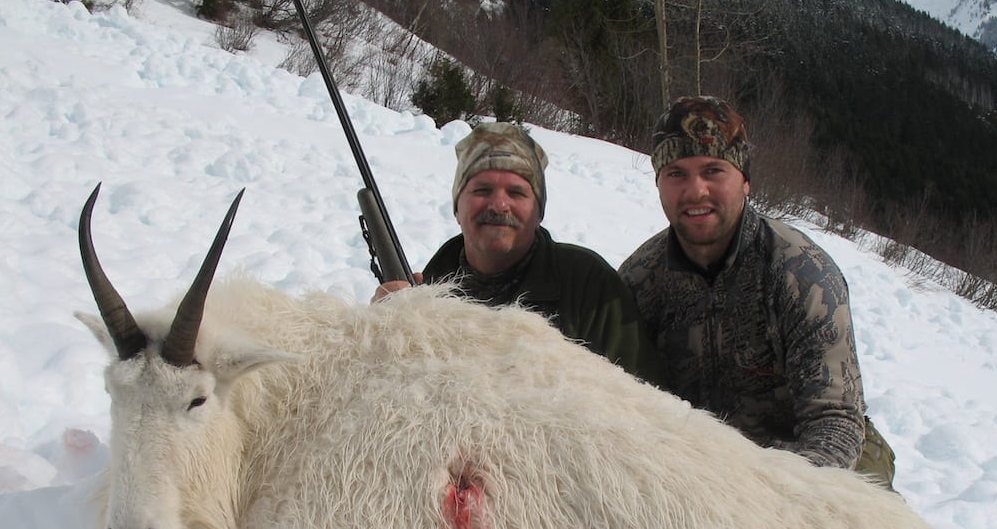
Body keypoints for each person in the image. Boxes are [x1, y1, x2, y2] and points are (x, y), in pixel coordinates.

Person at [619, 96, 896, 488]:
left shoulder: (801, 273)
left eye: (713, 170)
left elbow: (833, 423)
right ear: (659, 184)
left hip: (806, 465)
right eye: (676, 173)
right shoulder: (638, 280)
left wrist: (763, 498)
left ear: (745, 180)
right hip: (700, 467)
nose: (695, 191)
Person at [372, 121, 666, 388]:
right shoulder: (425, 297)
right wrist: (380, 332)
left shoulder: (588, 285)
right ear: (457, 208)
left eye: (516, 193)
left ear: (539, 212)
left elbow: (647, 404)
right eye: (482, 190)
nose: (499, 205)